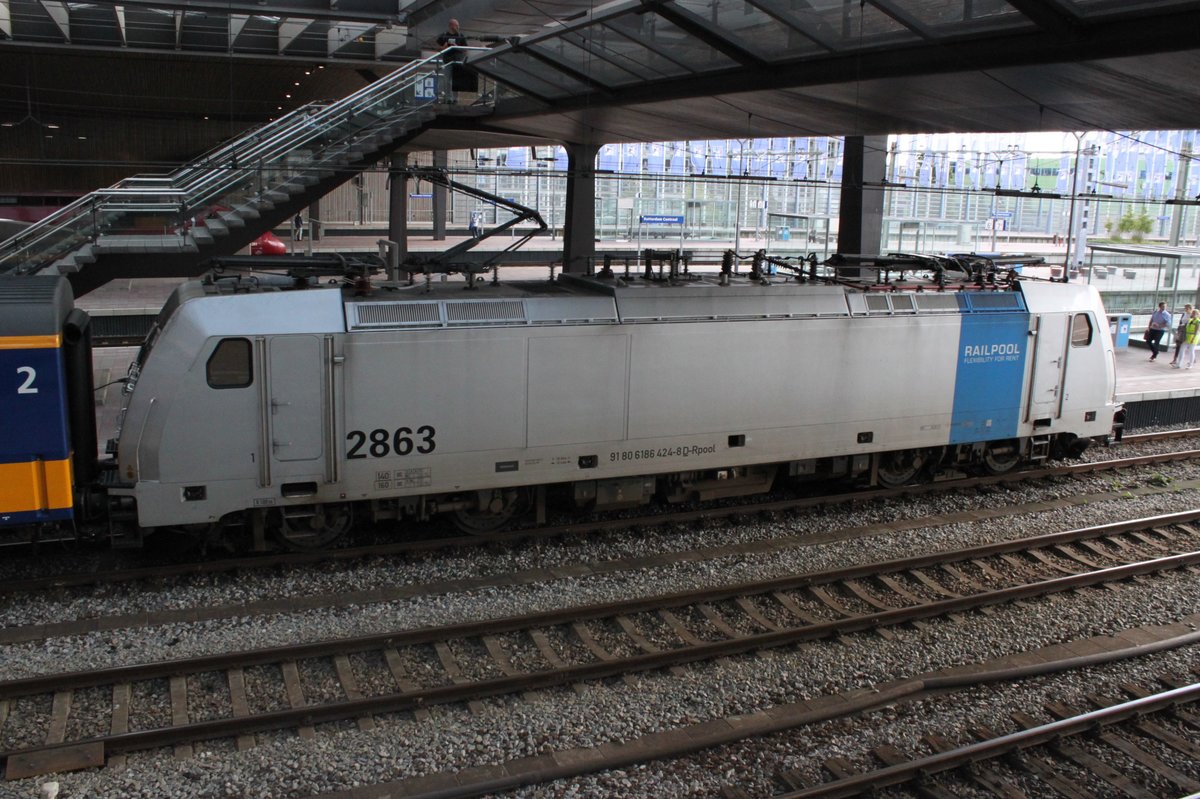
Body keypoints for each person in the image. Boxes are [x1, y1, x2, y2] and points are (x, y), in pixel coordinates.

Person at [436, 19, 470, 103]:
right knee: (447, 80)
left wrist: (456, 46)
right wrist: (444, 47)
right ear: (451, 25)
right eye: (456, 25)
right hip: (447, 60)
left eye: (458, 25)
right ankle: (448, 98)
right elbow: (438, 48)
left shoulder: (460, 36)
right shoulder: (444, 36)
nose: (458, 27)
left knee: (456, 80)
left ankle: (455, 99)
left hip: (457, 61)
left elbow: (465, 49)